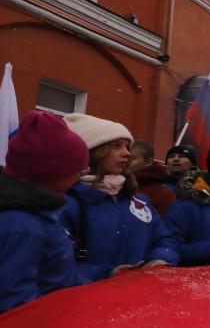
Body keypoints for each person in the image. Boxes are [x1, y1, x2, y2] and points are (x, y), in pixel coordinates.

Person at [61, 113, 177, 281]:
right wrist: (107, 275)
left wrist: (160, 260)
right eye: (116, 146)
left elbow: (165, 240)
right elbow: (56, 269)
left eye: (127, 147)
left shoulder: (138, 201)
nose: (127, 154)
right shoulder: (69, 204)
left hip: (139, 297)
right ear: (93, 152)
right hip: (89, 302)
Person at [0, 111, 89, 312]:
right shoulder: (22, 226)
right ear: (54, 172)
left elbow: (54, 278)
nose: (80, 175)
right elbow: (15, 309)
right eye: (79, 168)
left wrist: (105, 274)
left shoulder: (35, 212)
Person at [133, 148, 177, 216]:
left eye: (133, 158)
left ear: (148, 162)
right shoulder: (117, 184)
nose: (127, 161)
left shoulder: (163, 194)